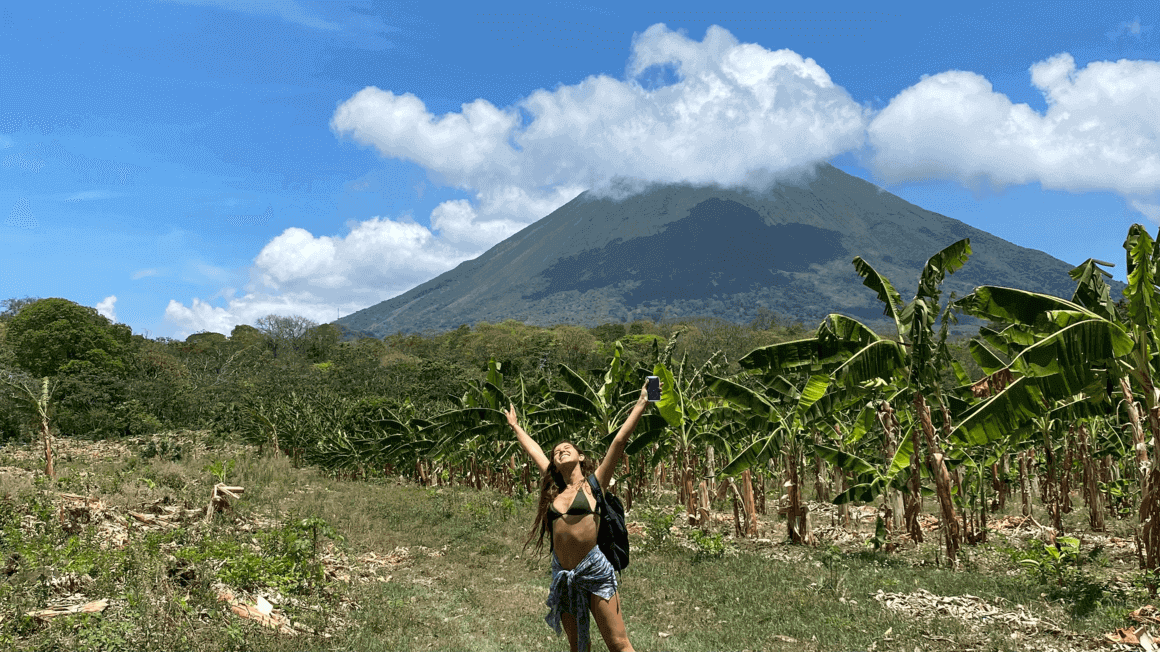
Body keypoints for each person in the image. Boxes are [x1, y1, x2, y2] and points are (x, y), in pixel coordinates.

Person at [505, 378, 660, 652]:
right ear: (554, 463)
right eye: (556, 452)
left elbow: (620, 440)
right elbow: (534, 451)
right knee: (578, 647)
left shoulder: (593, 483)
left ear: (580, 456)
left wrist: (643, 401)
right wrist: (516, 427)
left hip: (595, 570)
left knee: (619, 644)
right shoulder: (555, 489)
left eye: (567, 448)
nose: (560, 451)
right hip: (564, 574)